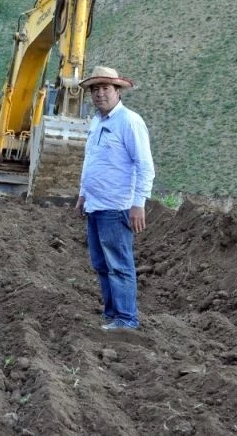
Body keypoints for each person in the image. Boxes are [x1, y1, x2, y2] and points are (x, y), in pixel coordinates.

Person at [75, 65, 155, 331]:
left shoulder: (130, 121)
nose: (100, 94)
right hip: (96, 206)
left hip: (116, 206)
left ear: (118, 91)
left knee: (119, 265)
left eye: (105, 88)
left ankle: (126, 319)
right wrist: (83, 195)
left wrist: (138, 203)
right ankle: (112, 315)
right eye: (95, 89)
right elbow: (91, 160)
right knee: (100, 264)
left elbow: (144, 165)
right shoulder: (97, 121)